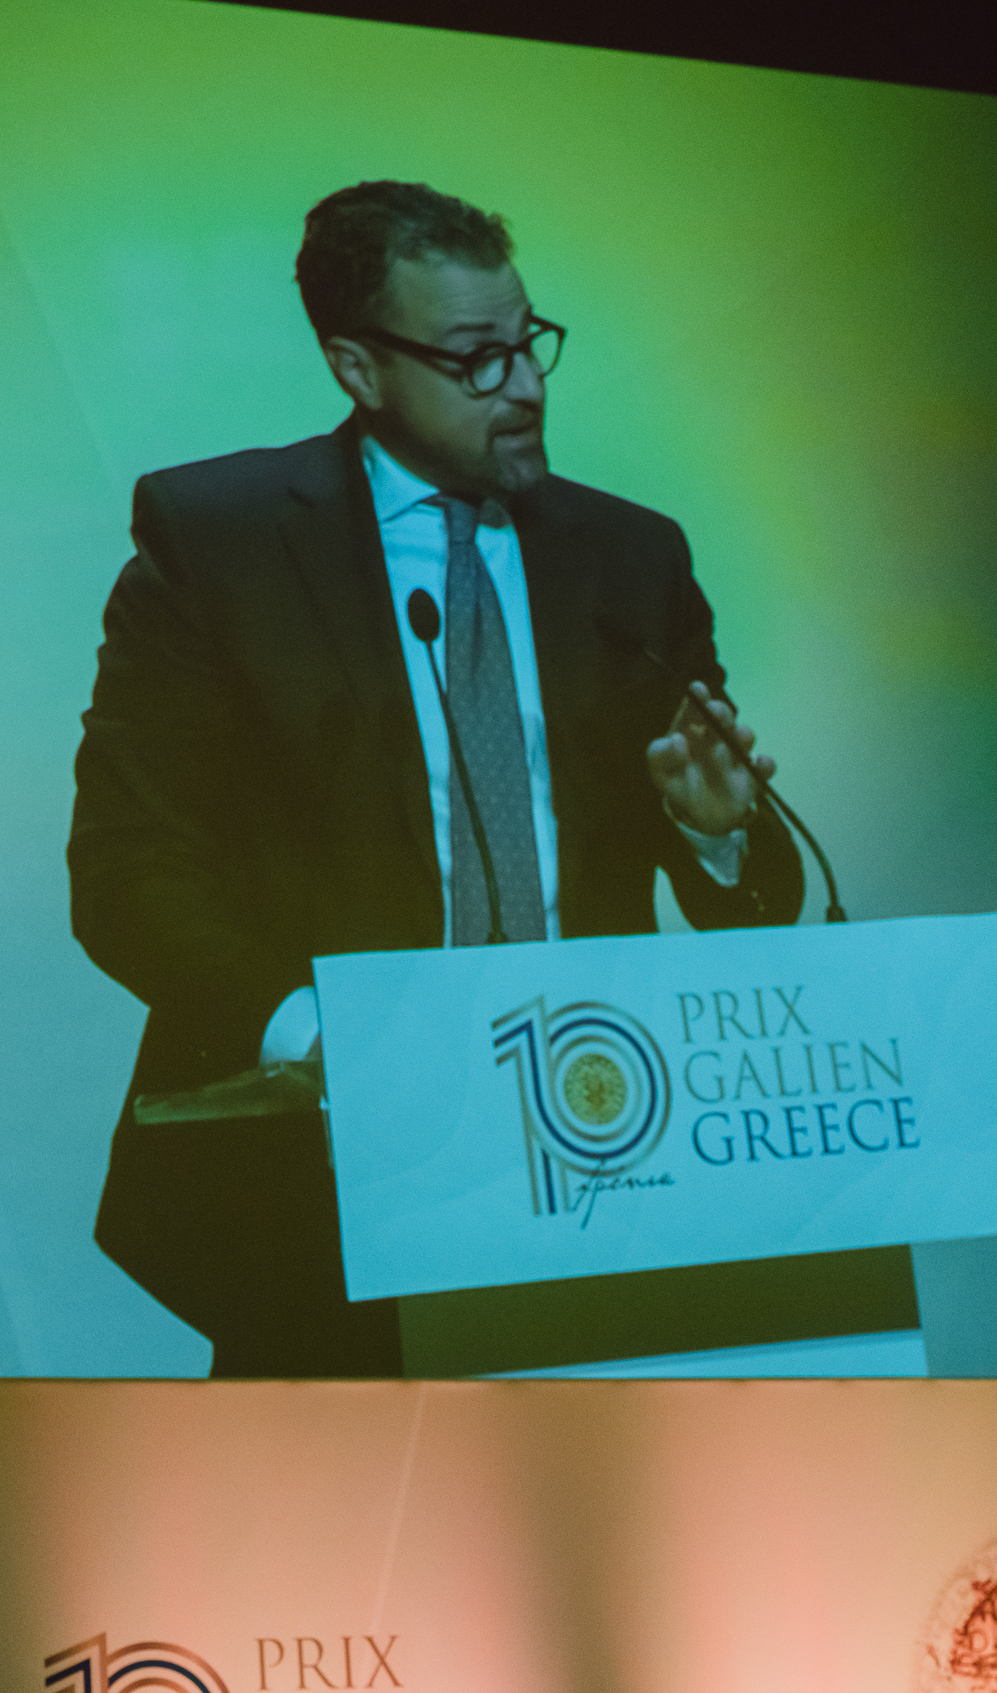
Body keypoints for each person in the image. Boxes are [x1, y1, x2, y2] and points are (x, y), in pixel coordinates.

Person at [68, 180, 809, 1378]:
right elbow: (124, 873)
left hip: (604, 1160)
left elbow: (750, 894)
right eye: (474, 359)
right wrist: (324, 1041)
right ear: (356, 368)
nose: (521, 386)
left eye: (527, 342)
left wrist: (712, 834)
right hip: (326, 1193)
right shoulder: (217, 546)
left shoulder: (629, 558)